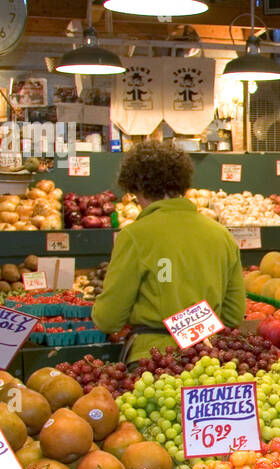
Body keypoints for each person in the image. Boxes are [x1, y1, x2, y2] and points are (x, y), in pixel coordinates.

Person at [92, 141, 247, 361]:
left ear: (136, 187)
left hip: (152, 360)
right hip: (206, 358)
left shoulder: (134, 236)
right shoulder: (222, 236)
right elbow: (233, 315)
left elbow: (108, 319)